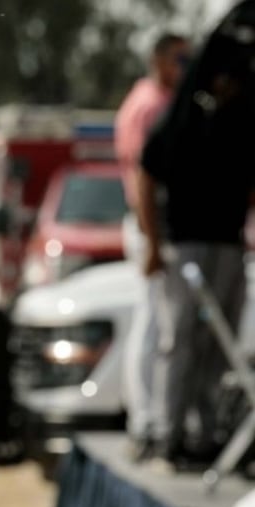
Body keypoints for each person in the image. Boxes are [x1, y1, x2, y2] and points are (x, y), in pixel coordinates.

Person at [139, 2, 255, 465]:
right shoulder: (183, 116)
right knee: (181, 339)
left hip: (228, 243)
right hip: (186, 243)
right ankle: (169, 433)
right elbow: (146, 176)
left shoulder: (240, 119)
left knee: (220, 346)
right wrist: (152, 243)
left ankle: (206, 434)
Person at [114, 32, 190, 455]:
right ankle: (145, 418)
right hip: (149, 225)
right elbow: (146, 176)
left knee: (156, 322)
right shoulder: (149, 104)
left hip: (151, 225)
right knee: (154, 323)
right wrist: (153, 237)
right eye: (180, 57)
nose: (186, 65)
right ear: (161, 59)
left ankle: (147, 416)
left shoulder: (151, 98)